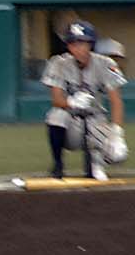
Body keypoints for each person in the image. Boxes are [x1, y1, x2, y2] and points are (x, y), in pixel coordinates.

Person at [41, 20, 126, 181]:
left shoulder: (106, 63)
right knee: (56, 115)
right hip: (71, 123)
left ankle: (95, 163)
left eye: (82, 43)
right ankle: (58, 165)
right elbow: (57, 100)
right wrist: (71, 102)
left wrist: (117, 134)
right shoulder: (58, 63)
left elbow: (116, 101)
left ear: (90, 44)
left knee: (116, 156)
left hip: (95, 120)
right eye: (73, 43)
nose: (77, 48)